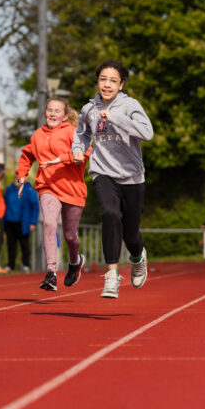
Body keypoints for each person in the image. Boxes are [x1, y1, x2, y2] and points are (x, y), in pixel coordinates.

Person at [72, 59, 154, 299]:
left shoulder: (130, 105)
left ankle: (138, 257)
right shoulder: (89, 109)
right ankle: (111, 275)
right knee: (109, 214)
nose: (107, 85)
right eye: (103, 79)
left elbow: (147, 132)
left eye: (113, 81)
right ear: (97, 81)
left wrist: (116, 118)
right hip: (103, 171)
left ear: (121, 84)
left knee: (131, 234)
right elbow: (82, 135)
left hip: (132, 176)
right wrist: (78, 149)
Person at [17, 96, 89, 292]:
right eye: (49, 110)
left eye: (57, 111)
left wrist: (61, 159)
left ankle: (75, 261)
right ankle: (51, 273)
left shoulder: (73, 132)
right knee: (49, 223)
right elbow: (26, 155)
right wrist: (22, 175)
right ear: (44, 113)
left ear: (64, 116)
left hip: (72, 189)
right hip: (47, 187)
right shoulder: (37, 135)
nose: (52, 114)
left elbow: (86, 151)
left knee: (70, 236)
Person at [3, 178, 39, 272]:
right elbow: (4, 204)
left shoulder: (29, 190)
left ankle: (26, 264)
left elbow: (35, 207)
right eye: (16, 178)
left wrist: (33, 222)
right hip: (9, 221)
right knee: (11, 245)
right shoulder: (9, 190)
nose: (17, 180)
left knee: (24, 244)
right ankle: (10, 265)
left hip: (23, 222)